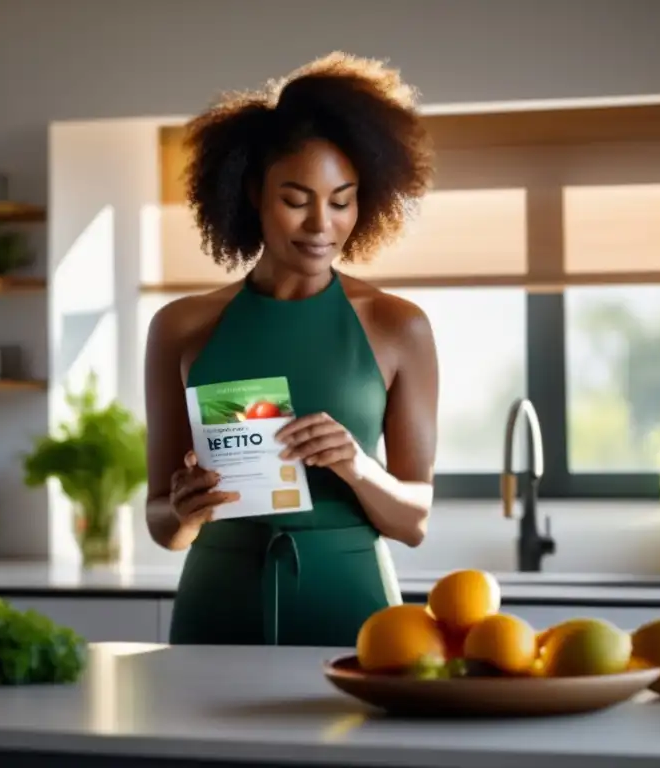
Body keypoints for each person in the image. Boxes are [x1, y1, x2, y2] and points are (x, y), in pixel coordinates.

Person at [144, 52, 439, 647]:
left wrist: (357, 468)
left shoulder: (397, 325)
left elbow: (414, 521)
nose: (320, 225)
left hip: (353, 607)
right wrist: (185, 509)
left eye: (342, 200)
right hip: (217, 602)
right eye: (297, 198)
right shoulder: (179, 326)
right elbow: (161, 525)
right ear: (254, 192)